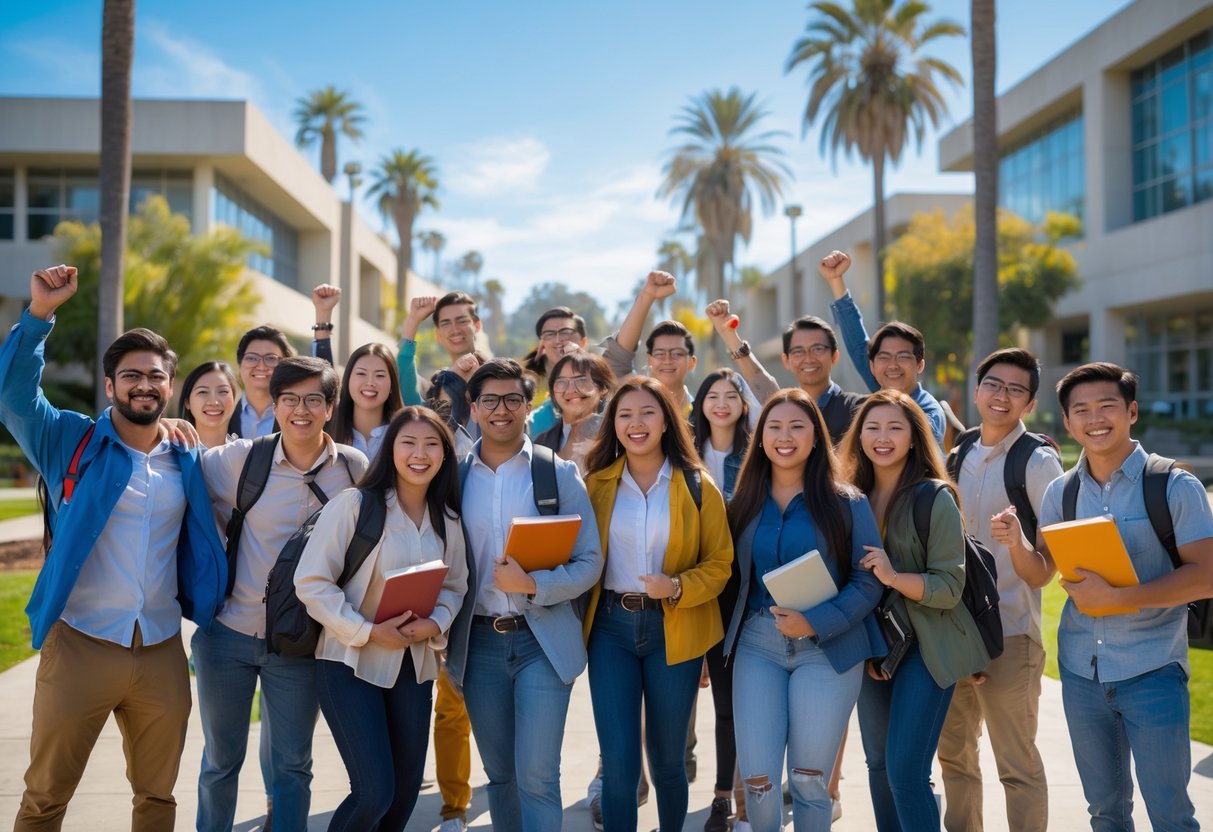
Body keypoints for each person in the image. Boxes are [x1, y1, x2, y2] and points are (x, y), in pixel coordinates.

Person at [1, 264, 226, 831]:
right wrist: (39, 316)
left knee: (157, 799)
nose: (144, 385)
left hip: (159, 649)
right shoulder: (69, 440)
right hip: (80, 642)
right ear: (110, 386)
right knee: (46, 797)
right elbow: (14, 396)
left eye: (155, 376)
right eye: (131, 376)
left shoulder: (185, 456)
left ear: (170, 387)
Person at [994, 362, 1213, 831]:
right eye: (1081, 410)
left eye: (1107, 406)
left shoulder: (1174, 485)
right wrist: (1016, 544)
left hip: (1153, 671)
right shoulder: (1060, 492)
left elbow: (1207, 576)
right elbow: (1039, 573)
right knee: (1105, 813)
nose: (1095, 418)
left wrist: (1120, 598)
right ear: (1068, 422)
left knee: (1171, 815)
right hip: (1081, 673)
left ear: (1132, 411)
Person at [195, 356, 369, 832]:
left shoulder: (353, 470)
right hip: (227, 635)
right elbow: (177, 478)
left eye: (314, 399)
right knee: (219, 762)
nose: (301, 409)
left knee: (292, 765)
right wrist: (175, 427)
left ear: (331, 407)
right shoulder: (240, 460)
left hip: (300, 644)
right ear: (273, 405)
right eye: (289, 398)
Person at [445, 358, 604, 832]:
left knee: (537, 775)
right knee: (501, 776)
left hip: (542, 641)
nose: (501, 409)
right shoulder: (451, 478)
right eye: (489, 400)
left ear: (528, 407)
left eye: (513, 399)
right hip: (478, 646)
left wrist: (536, 585)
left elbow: (589, 561)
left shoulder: (557, 474)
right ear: (472, 408)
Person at [295, 406, 470, 832]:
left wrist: (436, 623)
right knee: (374, 791)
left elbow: (456, 585)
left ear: (445, 456)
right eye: (408, 442)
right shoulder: (355, 504)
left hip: (413, 668)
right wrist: (367, 632)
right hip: (347, 663)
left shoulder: (446, 519)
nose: (420, 453)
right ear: (390, 450)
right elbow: (311, 581)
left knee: (405, 794)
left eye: (432, 444)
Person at [723, 389, 883, 831]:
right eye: (773, 427)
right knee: (758, 782)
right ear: (760, 438)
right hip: (757, 645)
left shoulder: (848, 502)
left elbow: (869, 579)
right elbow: (729, 580)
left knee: (810, 780)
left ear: (816, 436)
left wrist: (815, 621)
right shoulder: (742, 503)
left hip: (828, 649)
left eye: (797, 426)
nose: (784, 436)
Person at [581, 377, 733, 832]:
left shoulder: (697, 484)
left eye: (647, 412)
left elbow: (720, 563)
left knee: (668, 761)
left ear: (667, 421)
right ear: (614, 425)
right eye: (625, 415)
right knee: (620, 764)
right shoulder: (596, 485)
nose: (636, 423)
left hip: (675, 626)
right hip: (609, 629)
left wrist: (678, 587)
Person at [839, 389, 989, 831]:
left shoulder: (933, 498)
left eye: (895, 428)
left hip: (928, 647)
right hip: (872, 647)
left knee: (907, 774)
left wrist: (892, 576)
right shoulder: (849, 496)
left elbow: (948, 586)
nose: (882, 437)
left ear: (913, 438)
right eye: (872, 427)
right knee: (880, 767)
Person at [936, 348, 1063, 832]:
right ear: (976, 389)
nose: (1001, 395)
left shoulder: (1037, 463)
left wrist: (1016, 543)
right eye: (993, 384)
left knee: (1017, 767)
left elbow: (1043, 573)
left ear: (1029, 404)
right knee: (955, 760)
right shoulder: (957, 453)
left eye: (1015, 389)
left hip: (1010, 635)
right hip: (950, 634)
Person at [689, 368, 750, 832]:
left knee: (729, 702)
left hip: (739, 591)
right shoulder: (683, 452)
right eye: (714, 395)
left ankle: (723, 795)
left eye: (733, 395)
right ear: (701, 402)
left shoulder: (759, 454)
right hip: (687, 587)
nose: (723, 403)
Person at [818, 251, 946, 447]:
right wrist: (836, 280)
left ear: (920, 365)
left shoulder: (928, 412)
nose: (892, 365)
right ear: (872, 367)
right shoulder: (884, 391)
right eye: (884, 357)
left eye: (902, 357)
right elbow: (858, 343)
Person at [534, 350, 615, 471]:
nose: (570, 390)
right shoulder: (542, 442)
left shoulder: (616, 434)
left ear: (603, 388)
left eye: (581, 380)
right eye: (561, 382)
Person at [399, 292, 484, 405]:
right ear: (438, 335)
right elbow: (408, 393)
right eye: (446, 323)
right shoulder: (436, 387)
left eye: (462, 321)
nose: (455, 330)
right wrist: (413, 320)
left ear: (477, 326)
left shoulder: (497, 374)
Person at [327, 342, 405, 461]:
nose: (370, 382)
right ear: (348, 380)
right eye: (361, 373)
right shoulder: (326, 431)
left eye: (379, 376)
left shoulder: (404, 433)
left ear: (392, 385)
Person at [526, 306, 591, 436]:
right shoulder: (527, 388)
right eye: (549, 334)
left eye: (565, 332)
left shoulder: (603, 382)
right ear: (542, 345)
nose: (558, 340)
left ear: (583, 342)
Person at [229, 324, 297, 439]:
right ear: (240, 365)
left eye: (271, 358)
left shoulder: (297, 415)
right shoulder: (223, 413)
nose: (261, 366)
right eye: (251, 358)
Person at [179, 360, 239, 449]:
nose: (214, 402)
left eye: (223, 391)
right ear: (187, 402)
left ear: (234, 399)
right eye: (203, 392)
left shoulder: (250, 452)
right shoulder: (169, 454)